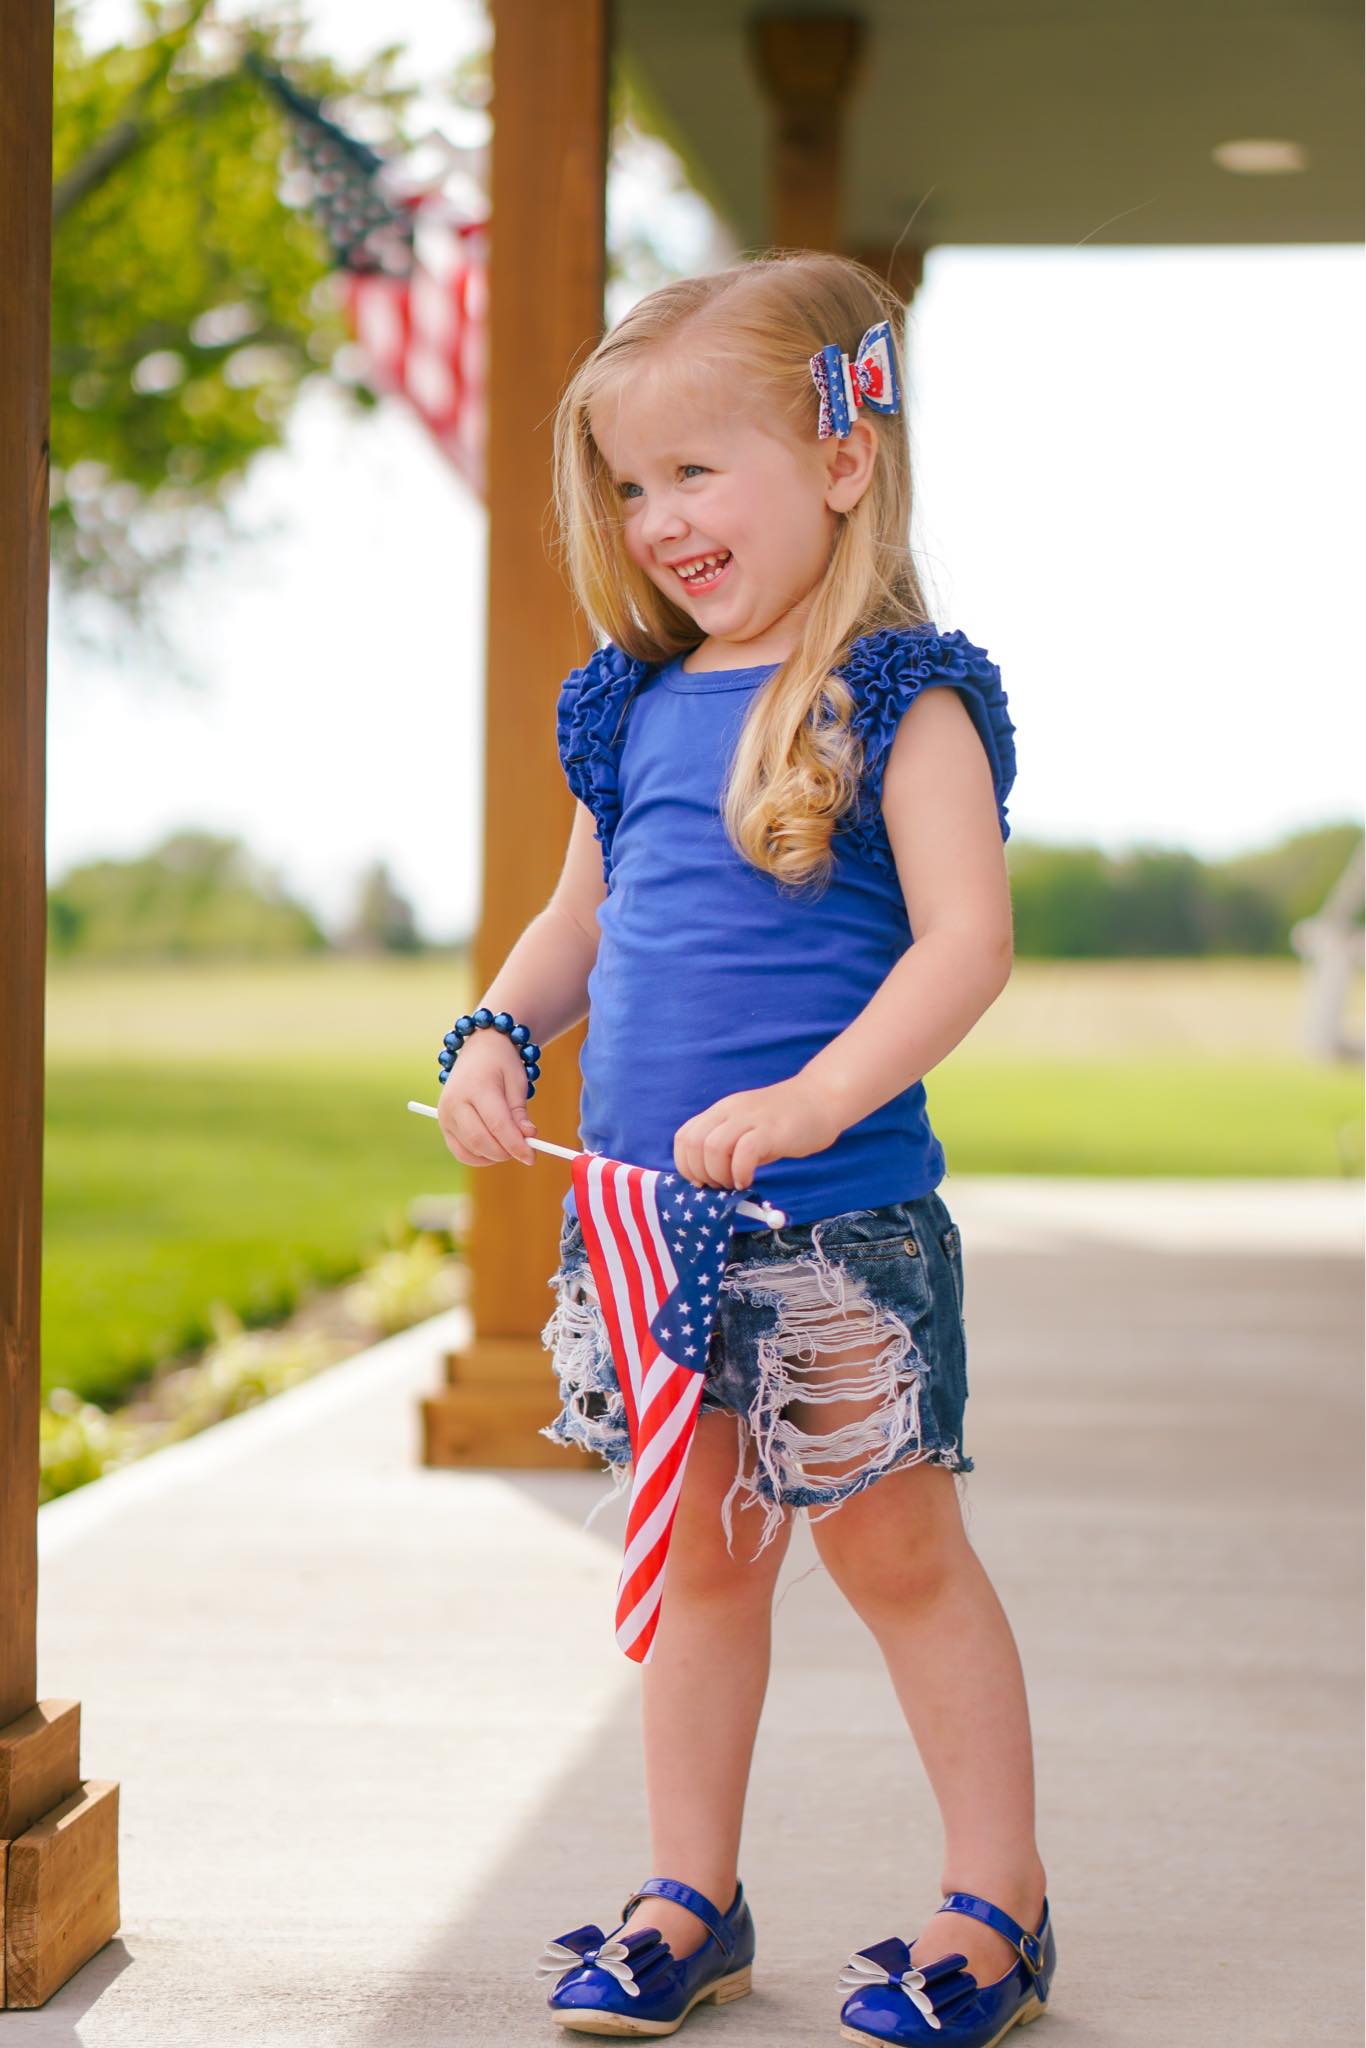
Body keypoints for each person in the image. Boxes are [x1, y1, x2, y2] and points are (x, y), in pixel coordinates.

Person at [436, 251, 1056, 2046]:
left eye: (697, 471)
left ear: (842, 463)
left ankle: (992, 1907)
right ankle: (686, 1894)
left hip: (828, 1232)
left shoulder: (898, 697)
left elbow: (965, 945)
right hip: (643, 1227)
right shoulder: (631, 705)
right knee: (698, 1562)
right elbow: (582, 926)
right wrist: (493, 1031)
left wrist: (813, 1103)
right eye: (630, 487)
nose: (657, 520)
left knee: (895, 1559)